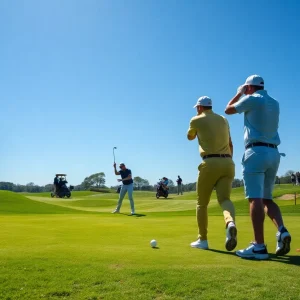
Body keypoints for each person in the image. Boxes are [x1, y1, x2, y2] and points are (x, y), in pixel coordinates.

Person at [225, 74, 291, 260]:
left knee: (255, 199)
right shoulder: (274, 102)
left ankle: (259, 246)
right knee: (267, 199)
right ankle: (282, 231)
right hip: (274, 153)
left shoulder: (251, 99)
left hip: (256, 152)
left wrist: (238, 94)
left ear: (249, 87)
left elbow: (228, 110)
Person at [187, 96, 237, 251]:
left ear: (200, 107)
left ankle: (203, 240)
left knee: (202, 203)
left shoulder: (195, 119)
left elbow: (190, 137)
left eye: (197, 107)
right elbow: (230, 143)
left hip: (210, 163)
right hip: (228, 163)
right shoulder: (223, 119)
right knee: (224, 199)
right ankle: (230, 223)